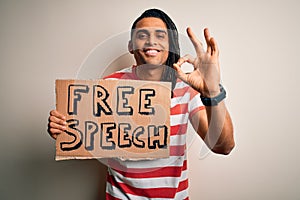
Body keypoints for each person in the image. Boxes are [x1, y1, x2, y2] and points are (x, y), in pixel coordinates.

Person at [48, 8, 235, 199]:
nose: (151, 41)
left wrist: (212, 91)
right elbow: (85, 134)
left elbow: (223, 146)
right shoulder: (109, 86)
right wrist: (63, 128)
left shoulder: (186, 89)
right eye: (142, 35)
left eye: (160, 35)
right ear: (130, 45)